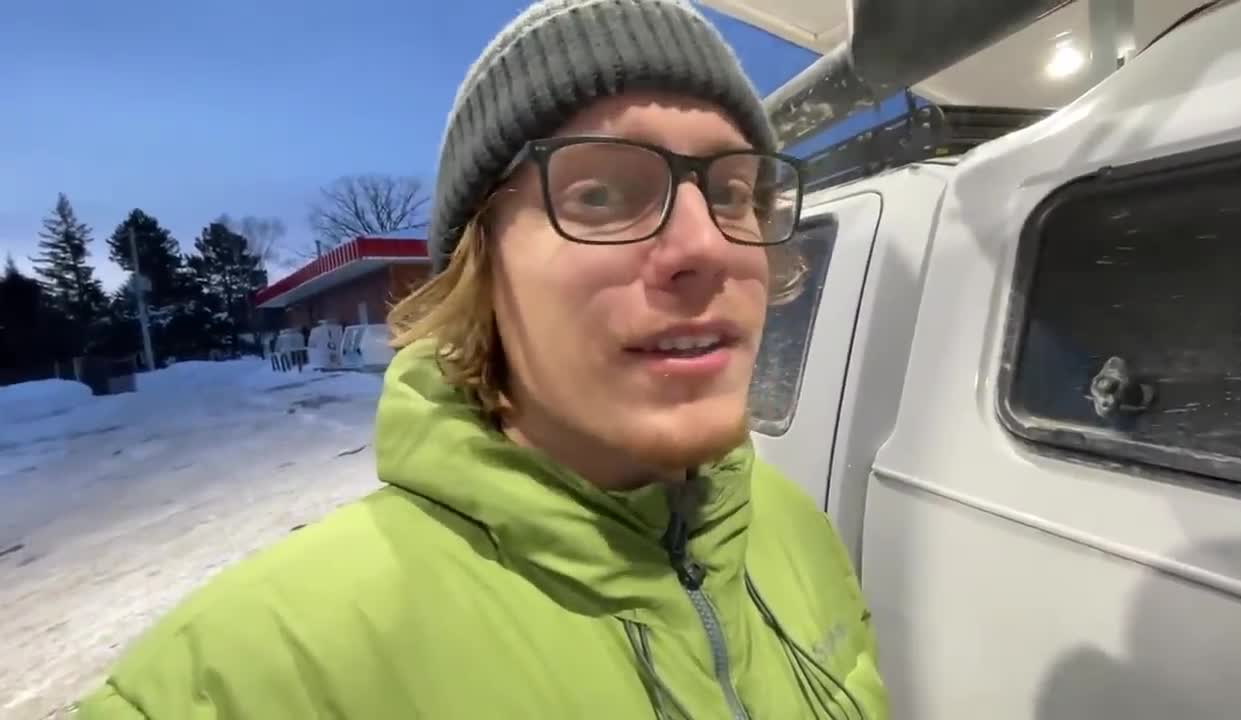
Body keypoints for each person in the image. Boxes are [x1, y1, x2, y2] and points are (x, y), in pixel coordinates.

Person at [77, 1, 890, 717]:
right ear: (481, 272)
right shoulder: (251, 677)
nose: (707, 246)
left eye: (735, 193)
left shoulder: (792, 530)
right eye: (600, 194)